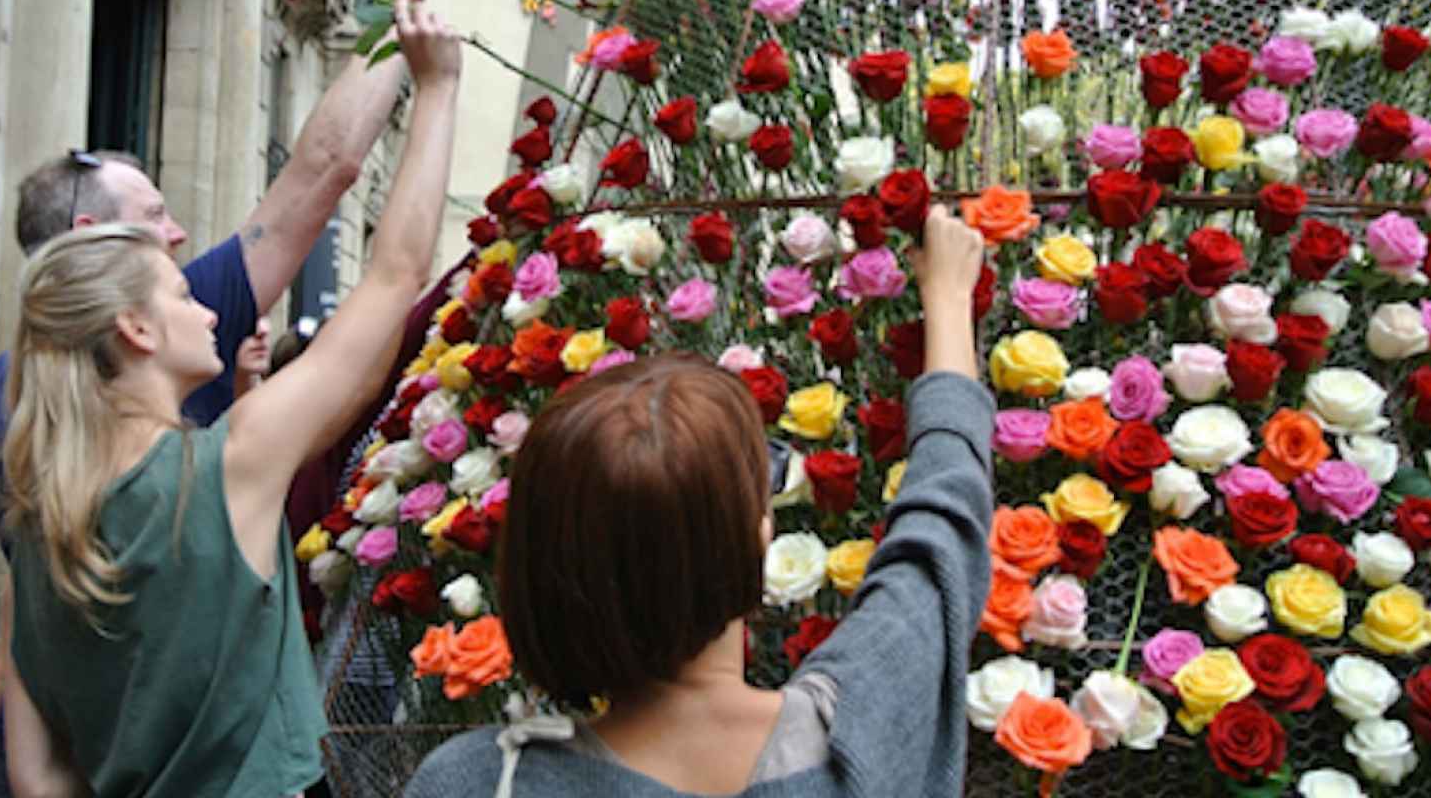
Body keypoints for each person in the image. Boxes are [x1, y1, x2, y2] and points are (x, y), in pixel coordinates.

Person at [0, 0, 433, 798]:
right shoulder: (192, 372)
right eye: (154, 220)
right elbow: (328, 172)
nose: (182, 236)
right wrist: (394, 13)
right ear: (99, 252)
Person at [404, 206, 994, 798]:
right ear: (758, 540)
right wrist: (947, 297)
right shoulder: (860, 736)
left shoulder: (474, 784)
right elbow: (941, 529)